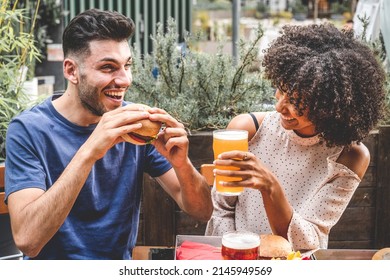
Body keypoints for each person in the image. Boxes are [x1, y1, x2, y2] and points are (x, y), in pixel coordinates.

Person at [4, 9, 212, 260]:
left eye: (127, 66)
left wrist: (183, 164)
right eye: (108, 67)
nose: (124, 79)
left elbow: (202, 211)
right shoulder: (28, 129)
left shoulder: (134, 125)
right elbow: (28, 240)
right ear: (71, 71)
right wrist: (90, 150)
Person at [205, 23, 386, 252]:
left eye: (297, 102)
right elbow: (221, 210)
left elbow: (310, 238)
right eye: (280, 90)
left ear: (330, 107)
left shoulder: (350, 157)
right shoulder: (247, 129)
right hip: (237, 258)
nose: (279, 106)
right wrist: (236, 257)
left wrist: (271, 187)